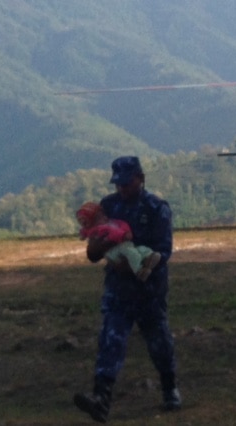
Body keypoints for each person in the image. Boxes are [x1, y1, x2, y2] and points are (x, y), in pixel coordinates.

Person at [73, 156, 180, 423]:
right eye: (118, 183)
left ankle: (170, 388)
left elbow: (164, 251)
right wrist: (106, 251)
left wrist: (140, 265)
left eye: (127, 182)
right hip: (118, 290)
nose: (122, 188)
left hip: (148, 290)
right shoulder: (107, 207)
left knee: (159, 343)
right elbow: (92, 252)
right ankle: (101, 398)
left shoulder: (156, 208)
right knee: (111, 342)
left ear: (140, 178)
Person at [76, 201, 162, 282]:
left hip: (126, 245)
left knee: (139, 249)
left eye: (101, 214)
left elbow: (121, 225)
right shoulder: (98, 229)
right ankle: (139, 271)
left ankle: (148, 256)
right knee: (132, 253)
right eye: (97, 217)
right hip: (116, 251)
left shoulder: (111, 222)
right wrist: (123, 235)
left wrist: (127, 231)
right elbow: (111, 234)